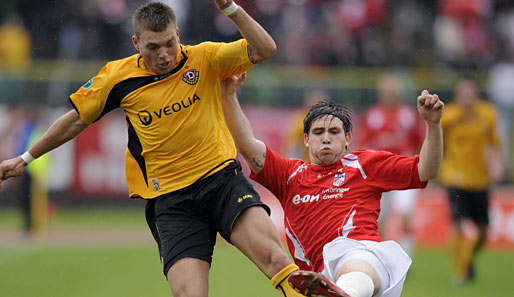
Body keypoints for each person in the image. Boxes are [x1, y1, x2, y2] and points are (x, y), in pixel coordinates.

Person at [0, 2, 317, 297]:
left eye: (169, 43)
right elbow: (74, 120)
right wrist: (26, 158)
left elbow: (265, 48)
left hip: (222, 182)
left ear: (178, 34)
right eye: (153, 47)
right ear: (136, 44)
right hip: (172, 202)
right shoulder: (117, 77)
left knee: (279, 263)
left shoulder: (204, 58)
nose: (164, 54)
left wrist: (230, 8)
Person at [221, 73, 444, 297]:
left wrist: (433, 125)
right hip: (318, 276)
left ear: (347, 138)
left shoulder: (365, 164)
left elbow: (427, 169)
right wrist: (229, 95)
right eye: (318, 132)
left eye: (334, 132)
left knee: (355, 263)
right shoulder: (289, 174)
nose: (326, 138)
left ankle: (345, 292)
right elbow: (248, 146)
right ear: (306, 139)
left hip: (363, 258)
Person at [439, 74, 503, 286]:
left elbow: (494, 144)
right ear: (457, 94)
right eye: (463, 91)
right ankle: (460, 273)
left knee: (484, 230)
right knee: (457, 224)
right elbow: (439, 144)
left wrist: (496, 165)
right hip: (455, 177)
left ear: (475, 92)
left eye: (470, 90)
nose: (467, 94)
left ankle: (468, 259)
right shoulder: (448, 115)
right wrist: (438, 169)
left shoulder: (487, 114)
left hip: (480, 179)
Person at [357, 73, 425, 257]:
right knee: (379, 218)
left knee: (405, 212)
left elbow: (420, 142)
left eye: (393, 91)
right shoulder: (372, 116)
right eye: (386, 91)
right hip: (379, 172)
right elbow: (363, 145)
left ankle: (406, 255)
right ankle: (382, 255)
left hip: (404, 170)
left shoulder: (408, 115)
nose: (389, 95)